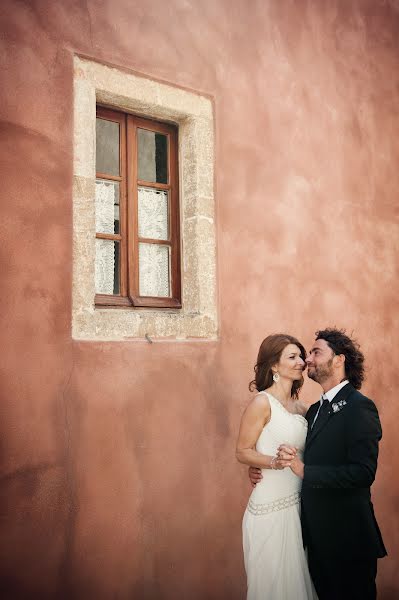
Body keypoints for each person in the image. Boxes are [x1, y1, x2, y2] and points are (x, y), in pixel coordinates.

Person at [249, 328, 387, 600]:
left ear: (339, 360)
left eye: (315, 352)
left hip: (348, 540)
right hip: (314, 540)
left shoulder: (360, 407)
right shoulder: (314, 410)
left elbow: (363, 473)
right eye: (306, 353)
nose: (307, 359)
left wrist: (304, 470)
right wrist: (260, 465)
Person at [236, 334, 318, 600]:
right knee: (273, 587)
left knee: (298, 585)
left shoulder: (303, 408)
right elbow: (242, 451)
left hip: (298, 507)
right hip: (270, 508)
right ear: (273, 366)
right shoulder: (261, 403)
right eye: (292, 357)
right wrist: (272, 462)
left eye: (300, 356)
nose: (301, 363)